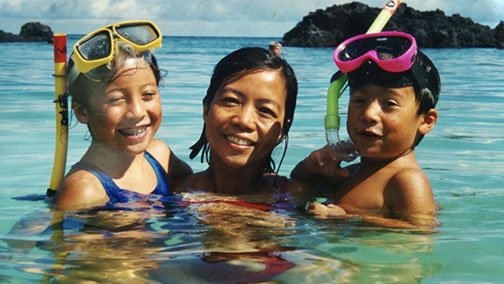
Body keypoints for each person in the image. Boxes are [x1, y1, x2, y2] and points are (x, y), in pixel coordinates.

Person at [291, 31, 441, 229]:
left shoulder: (407, 180)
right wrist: (312, 165)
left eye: (389, 103)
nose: (369, 114)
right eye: (359, 100)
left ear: (426, 121)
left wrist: (347, 219)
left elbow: (422, 232)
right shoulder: (354, 172)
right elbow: (298, 185)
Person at [52, 20, 192, 210]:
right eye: (116, 99)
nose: (137, 112)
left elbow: (190, 185)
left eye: (148, 95)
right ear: (82, 112)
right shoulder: (85, 188)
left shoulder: (159, 156)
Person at [175, 46, 310, 199]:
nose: (244, 121)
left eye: (265, 110)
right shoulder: (168, 189)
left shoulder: (297, 197)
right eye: (231, 101)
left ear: (283, 130)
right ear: (206, 109)